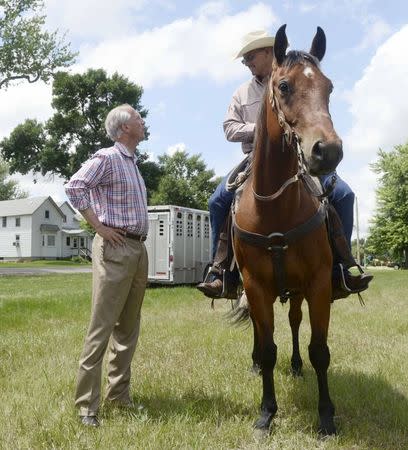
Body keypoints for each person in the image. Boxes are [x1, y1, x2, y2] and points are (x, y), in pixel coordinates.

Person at [197, 30, 372, 300]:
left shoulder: (297, 78)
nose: (247, 63)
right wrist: (264, 130)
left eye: (250, 56)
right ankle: (221, 272)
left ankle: (341, 268)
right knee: (217, 200)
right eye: (245, 59)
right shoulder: (242, 93)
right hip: (258, 158)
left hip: (300, 155)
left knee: (344, 195)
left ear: (270, 52)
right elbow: (230, 129)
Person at [65, 104, 149, 427]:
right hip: (115, 249)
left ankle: (119, 396)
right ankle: (87, 407)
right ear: (124, 128)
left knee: (128, 328)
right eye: (137, 118)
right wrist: (98, 226)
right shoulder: (108, 158)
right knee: (101, 328)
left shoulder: (133, 164)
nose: (142, 121)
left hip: (136, 249)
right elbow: (75, 186)